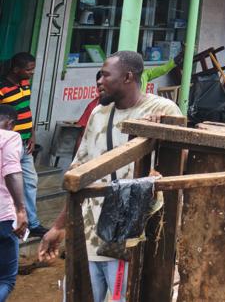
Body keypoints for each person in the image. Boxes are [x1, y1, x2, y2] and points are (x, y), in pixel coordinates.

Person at [38, 51, 183, 301]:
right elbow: (80, 175)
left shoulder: (162, 109)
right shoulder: (98, 114)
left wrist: (163, 129)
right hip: (90, 236)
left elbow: (180, 164)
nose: (99, 81)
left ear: (127, 77)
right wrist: (59, 227)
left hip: (132, 238)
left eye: (105, 75)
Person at [0, 54, 43, 238]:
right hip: (8, 146)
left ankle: (32, 224)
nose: (32, 72)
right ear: (16, 69)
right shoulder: (2, 88)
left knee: (30, 183)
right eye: (29, 69)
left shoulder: (24, 84)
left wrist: (32, 134)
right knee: (7, 183)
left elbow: (26, 110)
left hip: (25, 144)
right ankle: (11, 221)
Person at [0, 104, 25, 302]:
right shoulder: (10, 137)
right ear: (11, 123)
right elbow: (11, 173)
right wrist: (21, 209)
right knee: (6, 280)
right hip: (2, 217)